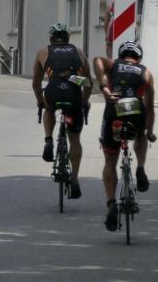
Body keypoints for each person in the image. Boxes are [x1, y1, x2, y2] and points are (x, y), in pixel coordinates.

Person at [93, 41, 156, 232]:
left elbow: (96, 60)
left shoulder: (113, 63)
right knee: (140, 134)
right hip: (136, 109)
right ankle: (140, 167)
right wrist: (150, 131)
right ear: (139, 58)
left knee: (110, 161)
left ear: (121, 55)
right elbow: (150, 108)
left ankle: (111, 204)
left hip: (115, 109)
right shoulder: (146, 72)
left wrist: (104, 88)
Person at [32, 23, 92, 199]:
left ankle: (49, 140)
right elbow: (88, 83)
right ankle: (75, 179)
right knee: (75, 138)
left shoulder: (43, 52)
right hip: (73, 90)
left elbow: (36, 83)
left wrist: (40, 100)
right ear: (68, 38)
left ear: (51, 39)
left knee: (49, 109)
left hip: (53, 90)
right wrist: (83, 102)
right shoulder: (79, 52)